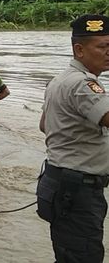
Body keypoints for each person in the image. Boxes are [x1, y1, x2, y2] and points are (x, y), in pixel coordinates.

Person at [37, 14, 109, 263]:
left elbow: (44, 125)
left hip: (60, 182)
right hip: (78, 191)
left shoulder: (59, 80)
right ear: (79, 49)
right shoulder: (83, 85)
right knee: (84, 255)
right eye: (102, 46)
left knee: (68, 254)